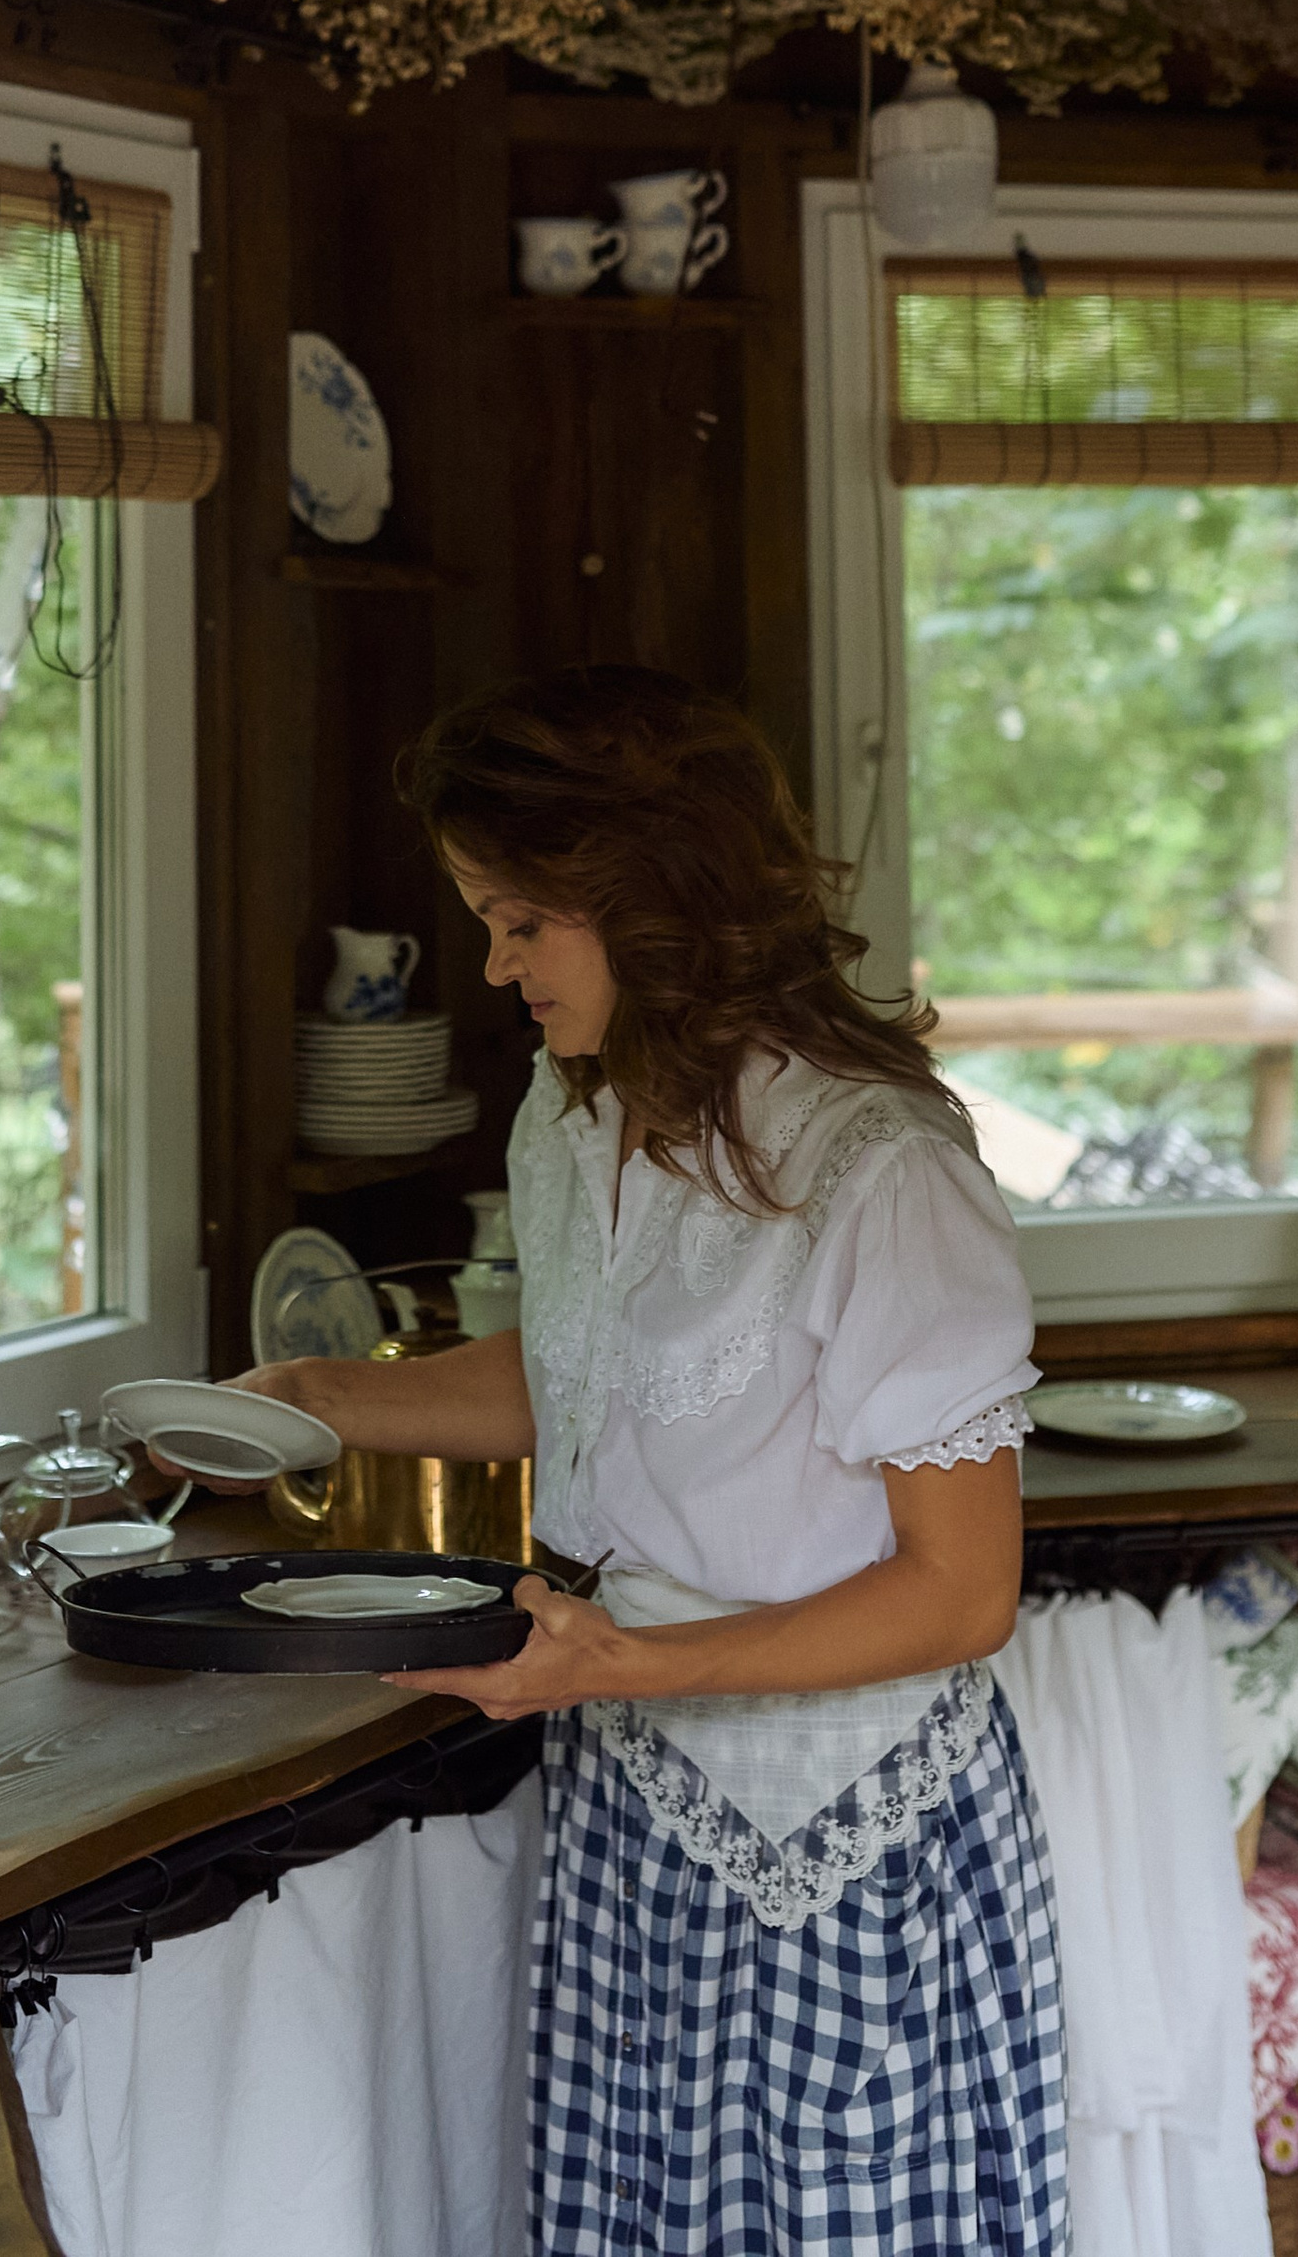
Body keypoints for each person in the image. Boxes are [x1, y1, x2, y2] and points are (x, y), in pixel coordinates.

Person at [242, 666, 1067, 2256]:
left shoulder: (881, 1168)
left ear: (657, 897)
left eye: (523, 919)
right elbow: (582, 1374)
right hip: (639, 1811)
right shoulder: (569, 1113)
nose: (495, 964)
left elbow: (962, 1594)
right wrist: (310, 1394)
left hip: (855, 1852)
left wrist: (628, 1654)